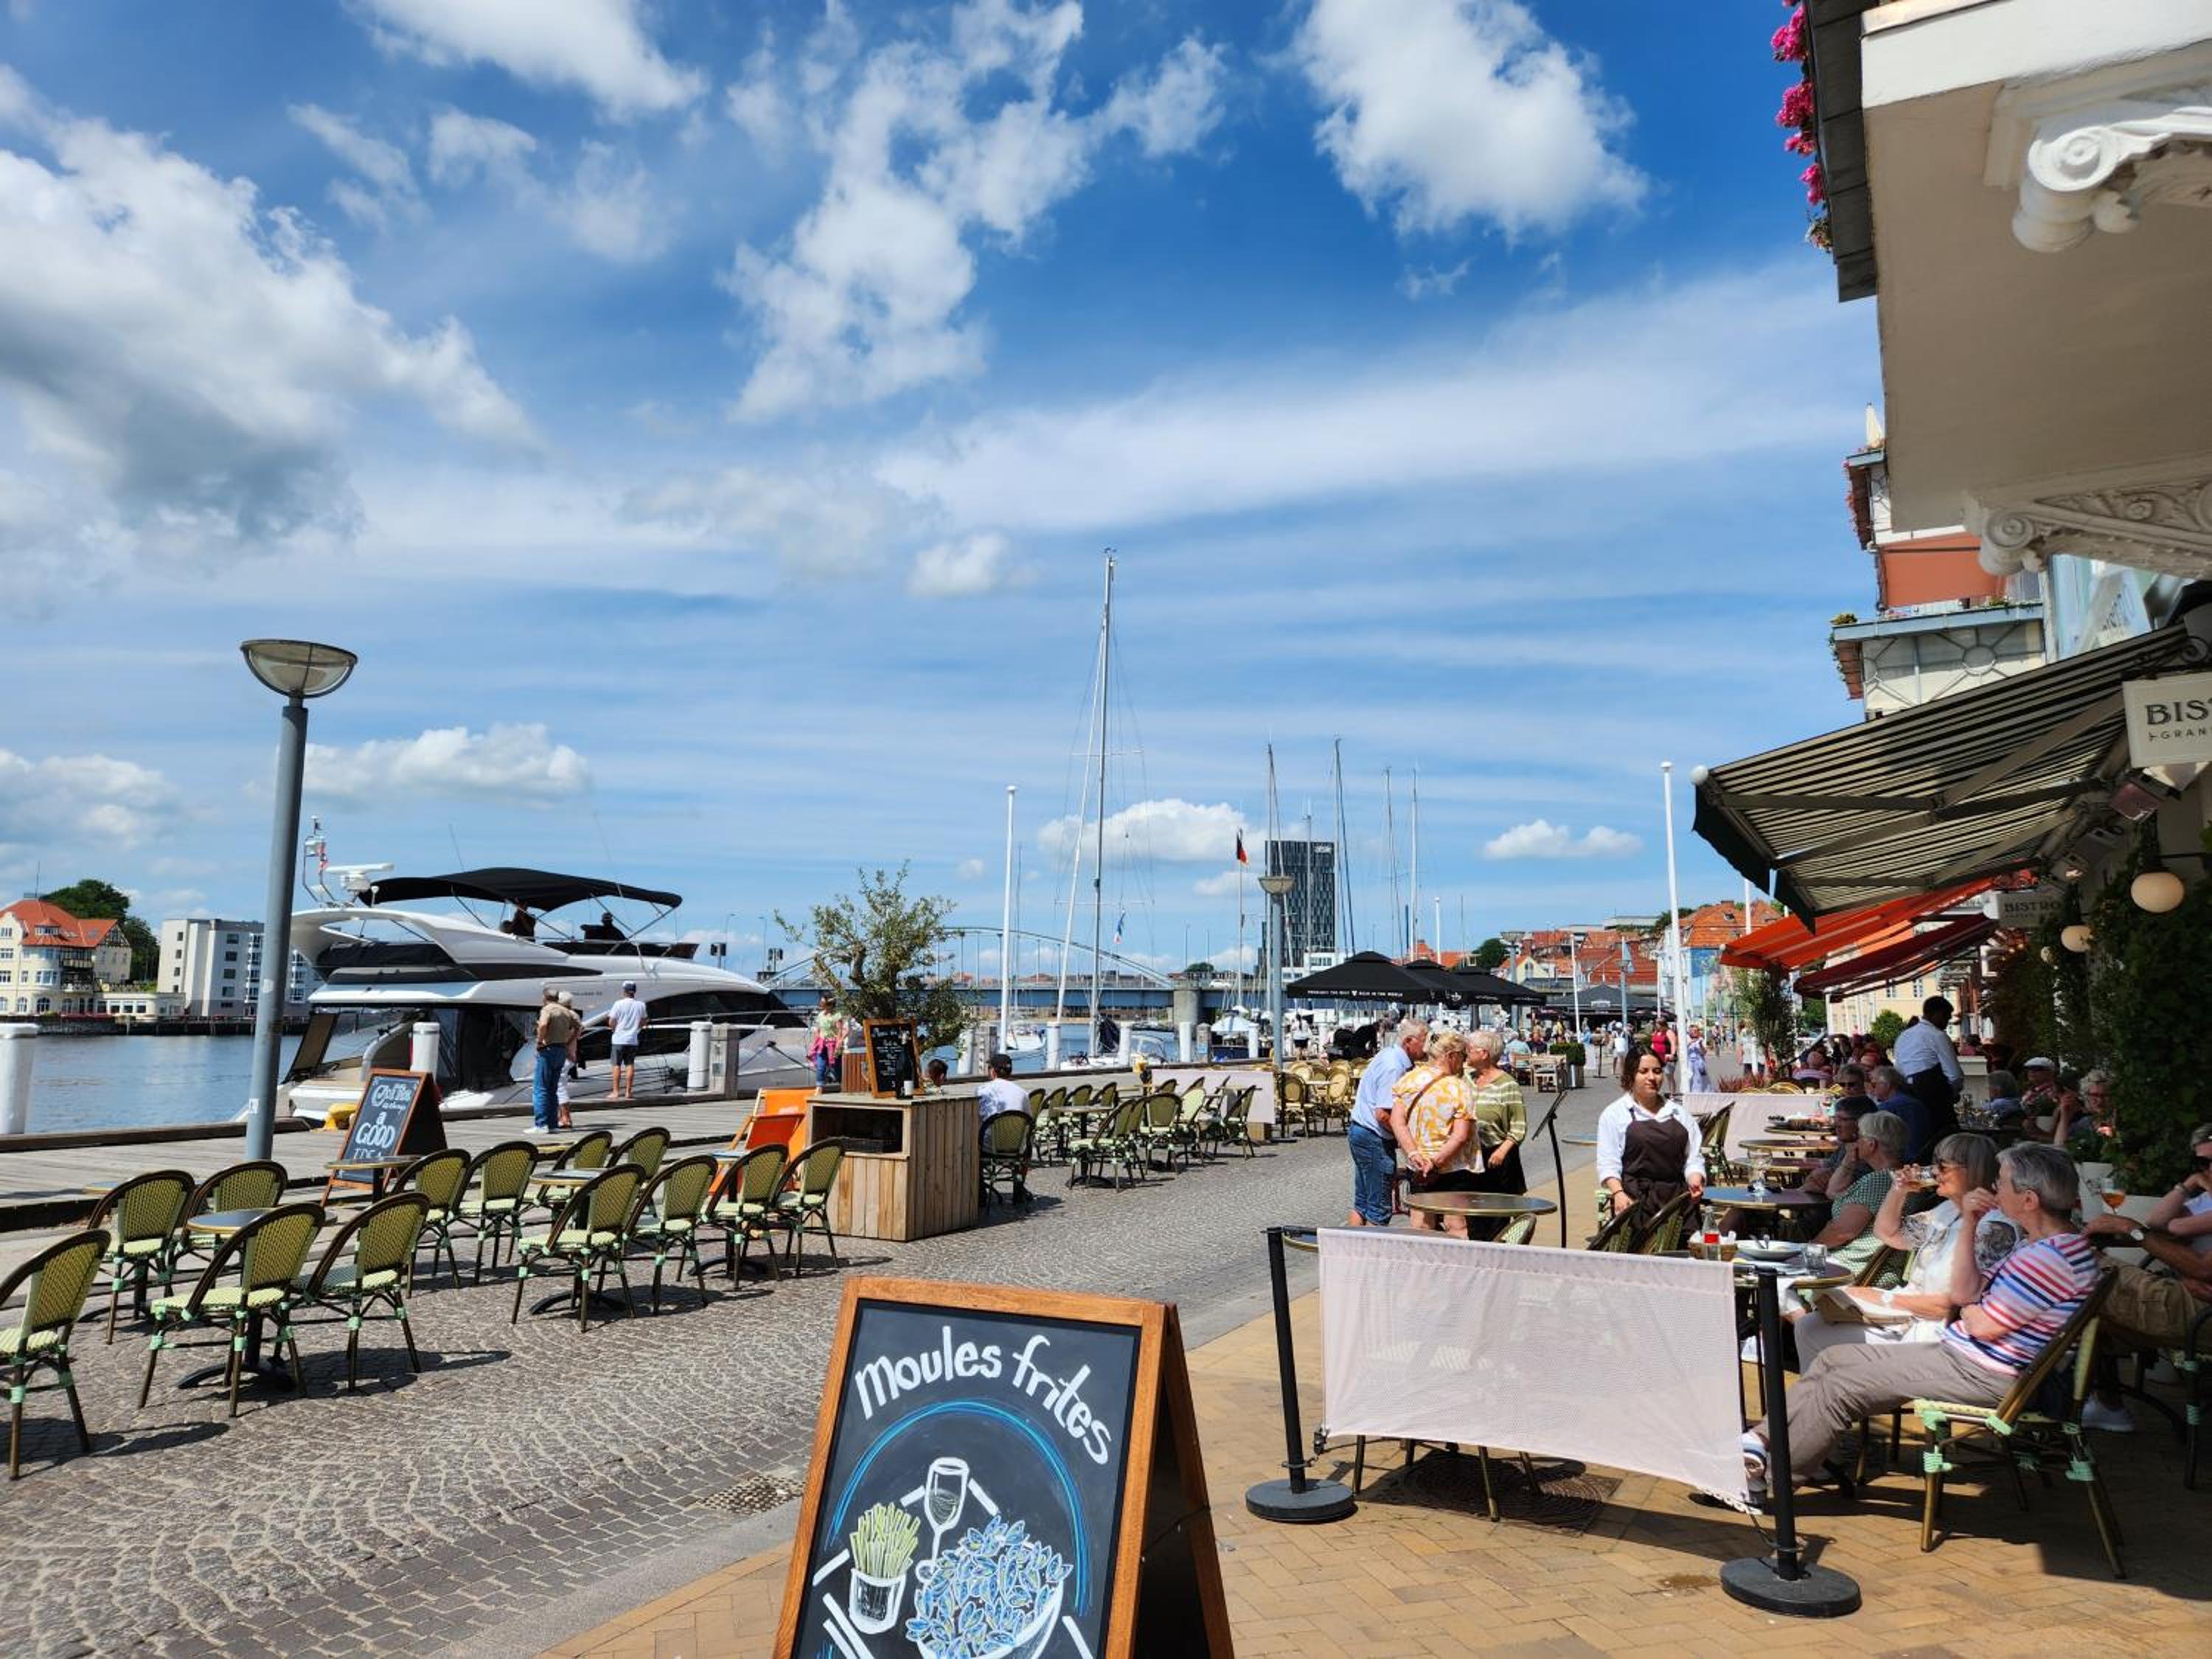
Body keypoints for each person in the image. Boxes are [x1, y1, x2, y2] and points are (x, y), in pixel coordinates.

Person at [1743, 1143, 2101, 1498]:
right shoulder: (2042, 1246)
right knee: (1832, 1360)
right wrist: (1970, 1226)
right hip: (1965, 1356)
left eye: (2002, 1183)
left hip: (1987, 1373)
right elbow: (1965, 1294)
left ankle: (1771, 1481)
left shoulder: (2048, 1258)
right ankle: (1758, 1442)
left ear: (2029, 1200)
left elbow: (1977, 1320)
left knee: (1841, 1388)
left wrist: (1971, 1306)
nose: (1995, 1188)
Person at [1792, 1133, 2023, 1369]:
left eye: (1943, 1166)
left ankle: (1830, 1387)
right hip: (1908, 1316)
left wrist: (1886, 1299)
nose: (1934, 1172)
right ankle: (1825, 1387)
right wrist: (1898, 1190)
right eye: (1935, 1164)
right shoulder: (1947, 1211)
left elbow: (1953, 1306)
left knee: (1813, 1330)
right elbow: (1888, 1233)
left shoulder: (1995, 1228)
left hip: (1936, 1332)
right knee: (1811, 1325)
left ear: (1972, 1171)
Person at [1595, 1046, 1705, 1228]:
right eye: (1643, 1071)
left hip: (1679, 1203)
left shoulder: (1678, 1113)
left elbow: (1693, 1157)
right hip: (1636, 1203)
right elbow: (1608, 1164)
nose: (1652, 1077)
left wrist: (1695, 1178)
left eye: (1657, 1071)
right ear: (1630, 1076)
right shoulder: (1615, 1114)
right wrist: (1618, 1193)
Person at [1391, 1030, 1477, 1237]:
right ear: (1451, 1056)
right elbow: (1460, 1136)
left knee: (1421, 1224)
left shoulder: (1409, 1080)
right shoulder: (1459, 1088)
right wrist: (1436, 1162)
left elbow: (1397, 1122)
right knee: (1456, 1225)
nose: (1464, 1062)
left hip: (1418, 1165)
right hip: (1453, 1165)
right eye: (1463, 1056)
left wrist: (1414, 1154)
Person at [1346, 1017, 1426, 1228]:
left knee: (1362, 1203)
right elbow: (1383, 1115)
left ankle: (1350, 1245)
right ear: (1409, 1041)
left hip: (1362, 1131)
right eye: (1424, 1041)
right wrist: (1405, 1139)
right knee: (1378, 1209)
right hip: (1374, 1137)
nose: (1427, 1047)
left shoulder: (1388, 1055)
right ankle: (1370, 1249)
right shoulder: (1394, 1067)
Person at [1463, 1029, 1528, 1196]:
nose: (1466, 1052)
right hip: (1471, 1157)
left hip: (1497, 1157)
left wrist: (1502, 1151)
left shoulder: (1507, 1084)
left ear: (1484, 1054)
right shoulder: (1467, 1079)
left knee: (1499, 1207)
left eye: (1469, 1049)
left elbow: (1519, 1125)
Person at [1893, 995, 1965, 1143]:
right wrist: (1950, 1094)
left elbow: (1899, 1067)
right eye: (1946, 1017)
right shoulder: (1938, 1036)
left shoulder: (1903, 1036)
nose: (1947, 1023)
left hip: (1905, 1094)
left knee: (1916, 1141)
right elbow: (1955, 1075)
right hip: (1932, 1095)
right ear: (1937, 1014)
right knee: (1947, 1142)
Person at [531, 986, 579, 1133]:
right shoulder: (566, 1011)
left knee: (540, 1088)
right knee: (553, 1089)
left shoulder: (547, 1010)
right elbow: (579, 1027)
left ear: (544, 998)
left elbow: (544, 1025)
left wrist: (540, 1041)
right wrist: (568, 1041)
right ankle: (553, 1125)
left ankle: (541, 1125)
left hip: (549, 1050)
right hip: (561, 1050)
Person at [1865, 1065, 1933, 1163]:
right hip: (1923, 1156)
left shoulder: (1888, 1107)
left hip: (1904, 1160)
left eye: (1874, 1085)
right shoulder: (1913, 1101)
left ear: (1887, 1085)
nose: (1872, 1089)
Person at [2051, 1069, 2115, 1152]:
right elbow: (2059, 1148)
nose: (2100, 1101)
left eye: (2105, 1096)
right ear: (2087, 1096)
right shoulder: (2086, 1122)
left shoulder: (2120, 1121)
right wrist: (2065, 1117)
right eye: (2094, 1095)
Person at [607, 979, 647, 1101]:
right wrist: (636, 1028)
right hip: (632, 1039)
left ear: (624, 991)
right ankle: (629, 1092)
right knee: (630, 1064)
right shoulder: (641, 1005)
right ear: (634, 991)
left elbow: (611, 1022)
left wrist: (614, 1029)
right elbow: (644, 1021)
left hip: (619, 1039)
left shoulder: (618, 1004)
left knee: (616, 1065)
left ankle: (616, 1092)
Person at [977, 1052, 1027, 1122]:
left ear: (993, 1071)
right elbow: (1029, 1118)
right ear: (1010, 1072)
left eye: (989, 1068)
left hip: (990, 1129)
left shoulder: (982, 1090)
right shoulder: (1022, 1092)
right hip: (1017, 1129)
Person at [810, 998, 844, 1090]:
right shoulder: (820, 1015)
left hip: (833, 1043)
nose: (821, 1004)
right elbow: (818, 1029)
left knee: (835, 1066)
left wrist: (838, 1044)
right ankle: (819, 1086)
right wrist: (816, 1043)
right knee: (821, 1064)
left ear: (830, 1005)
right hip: (822, 1043)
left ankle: (840, 1084)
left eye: (823, 1003)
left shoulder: (837, 1015)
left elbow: (839, 1031)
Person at [1685, 1023, 1713, 1092]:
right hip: (1689, 1062)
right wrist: (1691, 1042)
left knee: (1700, 1079)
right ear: (1690, 1031)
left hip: (1699, 1062)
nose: (1696, 1032)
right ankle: (1690, 1091)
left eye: (1697, 1030)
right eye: (1694, 1031)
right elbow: (1682, 1050)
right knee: (1690, 1078)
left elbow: (1704, 1053)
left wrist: (1701, 1045)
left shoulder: (1701, 1039)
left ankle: (1701, 1091)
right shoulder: (1686, 1038)